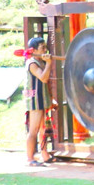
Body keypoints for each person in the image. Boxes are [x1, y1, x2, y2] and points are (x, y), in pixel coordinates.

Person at [24, 36, 53, 167]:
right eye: (42, 48)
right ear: (34, 50)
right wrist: (49, 63)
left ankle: (44, 154)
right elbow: (43, 78)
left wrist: (52, 99)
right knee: (34, 130)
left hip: (43, 98)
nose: (45, 50)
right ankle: (30, 159)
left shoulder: (39, 61)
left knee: (43, 129)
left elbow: (47, 84)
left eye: (45, 47)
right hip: (35, 100)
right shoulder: (32, 63)